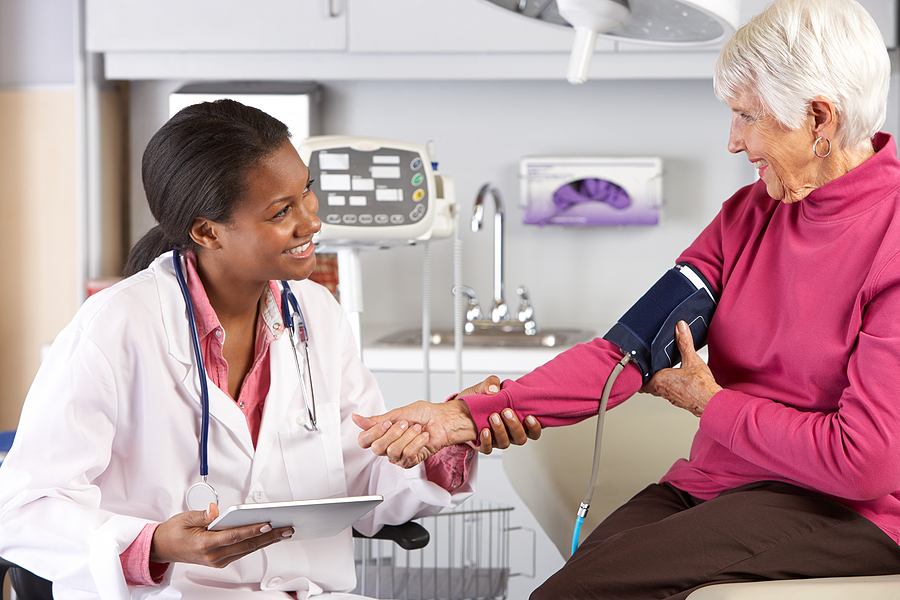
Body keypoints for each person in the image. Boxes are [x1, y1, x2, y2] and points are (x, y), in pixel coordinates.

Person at [354, 0, 900, 597]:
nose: (734, 141)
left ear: (819, 118)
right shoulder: (749, 216)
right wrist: (461, 416)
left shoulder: (891, 239)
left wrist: (710, 404)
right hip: (717, 484)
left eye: (747, 116)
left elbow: (862, 460)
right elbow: (629, 352)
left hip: (844, 509)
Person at [0, 99, 535, 600]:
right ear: (207, 231)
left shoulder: (315, 314)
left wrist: (445, 439)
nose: (311, 220)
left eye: (307, 191)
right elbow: (24, 510)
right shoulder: (115, 326)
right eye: (281, 212)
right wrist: (155, 543)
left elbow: (361, 481)